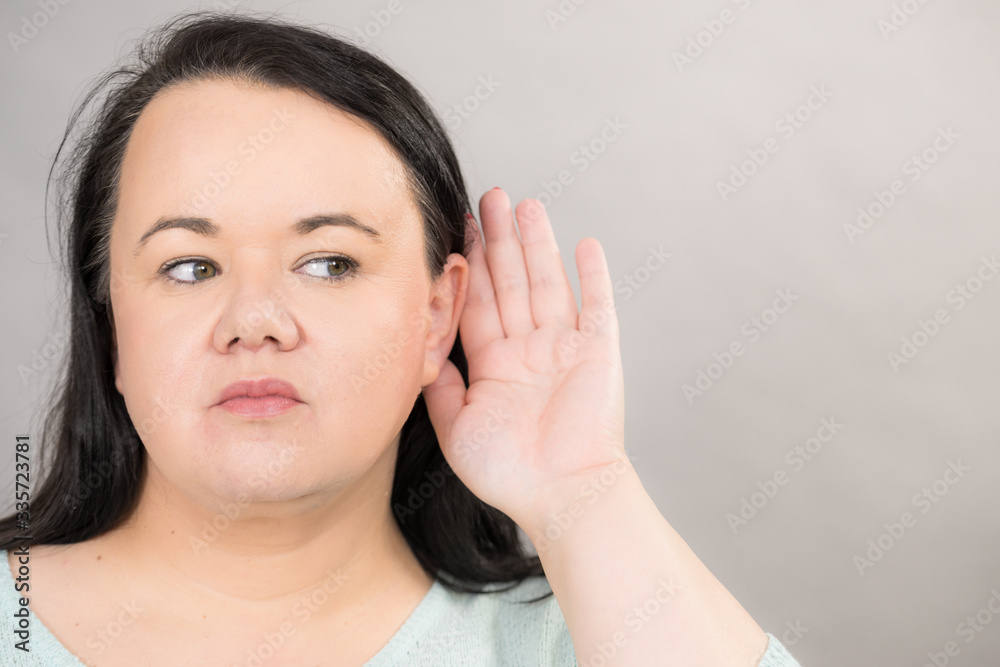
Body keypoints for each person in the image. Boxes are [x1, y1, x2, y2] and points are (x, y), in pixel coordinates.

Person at [0, 11, 804, 666]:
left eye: (329, 263)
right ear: (110, 319)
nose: (255, 319)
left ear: (437, 315)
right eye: (188, 267)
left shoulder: (599, 639)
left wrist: (583, 490)